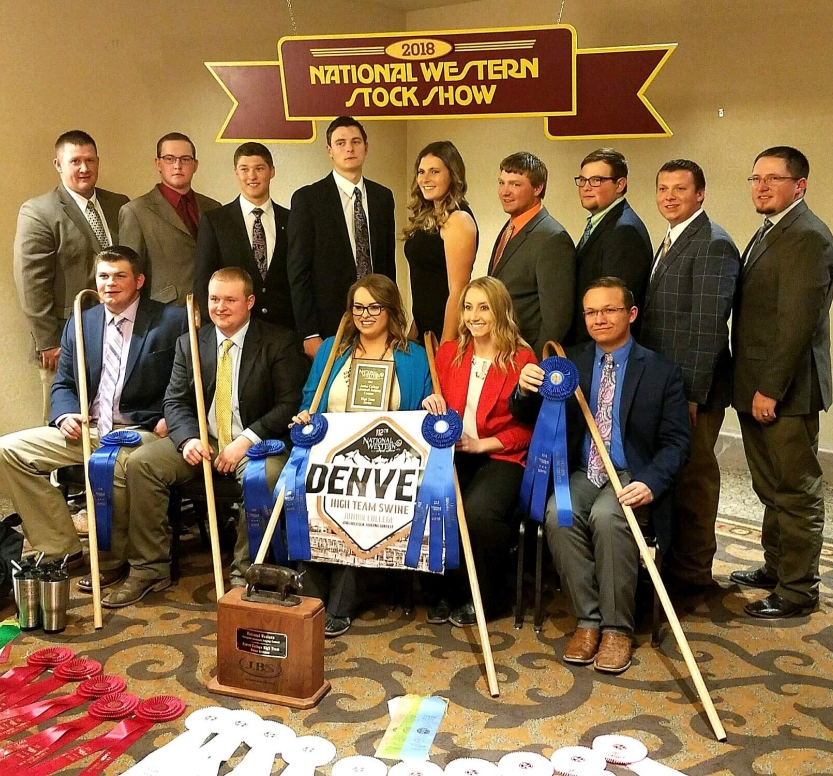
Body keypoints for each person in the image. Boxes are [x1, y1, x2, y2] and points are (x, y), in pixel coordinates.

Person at [511, 277, 690, 674]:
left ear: (631, 314)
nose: (599, 319)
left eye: (609, 310)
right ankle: (588, 620)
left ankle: (617, 629)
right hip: (582, 471)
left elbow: (677, 442)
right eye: (591, 312)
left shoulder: (661, 372)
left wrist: (652, 482)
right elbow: (527, 416)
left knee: (608, 517)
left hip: (630, 474)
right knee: (561, 513)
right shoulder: (568, 364)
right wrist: (524, 390)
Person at [0, 247, 186, 593]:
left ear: (138, 281)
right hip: (90, 427)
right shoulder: (81, 322)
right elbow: (64, 382)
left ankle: (112, 560)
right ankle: (61, 547)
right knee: (9, 450)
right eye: (104, 276)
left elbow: (189, 380)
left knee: (107, 464)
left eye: (119, 276)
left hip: (142, 429)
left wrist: (170, 418)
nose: (110, 283)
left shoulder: (170, 321)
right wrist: (64, 412)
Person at [114, 268, 308, 606]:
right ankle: (149, 568)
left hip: (258, 444)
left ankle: (246, 573)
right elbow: (174, 400)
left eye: (230, 300)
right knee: (141, 463)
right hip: (205, 440)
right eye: (214, 299)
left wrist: (245, 440)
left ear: (249, 302)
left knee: (266, 477)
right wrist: (188, 438)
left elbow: (288, 403)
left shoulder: (278, 341)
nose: (220, 307)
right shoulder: (191, 341)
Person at [290, 274, 432, 637]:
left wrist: (433, 405)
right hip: (331, 455)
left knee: (362, 504)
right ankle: (313, 593)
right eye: (358, 307)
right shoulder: (332, 350)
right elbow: (311, 398)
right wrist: (307, 415)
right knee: (298, 493)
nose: (365, 315)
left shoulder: (414, 358)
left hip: (386, 462)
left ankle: (343, 600)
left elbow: (423, 406)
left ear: (390, 310)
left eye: (374, 307)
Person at [730, 146, 833, 620]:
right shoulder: (770, 231)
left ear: (800, 185)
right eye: (756, 178)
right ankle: (776, 568)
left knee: (795, 491)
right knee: (770, 486)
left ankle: (798, 590)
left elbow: (797, 323)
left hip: (786, 391)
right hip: (757, 383)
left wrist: (771, 388)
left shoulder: (808, 237)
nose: (762, 186)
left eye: (773, 178)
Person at [641, 159, 740, 598]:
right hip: (668, 387)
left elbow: (707, 328)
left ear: (700, 194)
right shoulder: (671, 239)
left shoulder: (713, 244)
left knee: (695, 479)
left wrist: (693, 397)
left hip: (693, 391)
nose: (669, 196)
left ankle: (695, 574)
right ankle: (674, 565)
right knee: (671, 477)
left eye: (680, 188)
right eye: (663, 188)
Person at [420, 277, 536, 626]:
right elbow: (433, 407)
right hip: (453, 452)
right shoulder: (449, 352)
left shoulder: (522, 358)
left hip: (501, 454)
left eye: (483, 307)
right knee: (432, 500)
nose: (473, 315)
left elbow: (528, 427)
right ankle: (445, 591)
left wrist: (481, 443)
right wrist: (430, 404)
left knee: (478, 511)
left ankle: (487, 596)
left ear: (500, 309)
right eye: (468, 307)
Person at [14, 130, 129, 417]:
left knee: (112, 415)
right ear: (58, 164)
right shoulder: (38, 212)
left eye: (90, 160)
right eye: (75, 161)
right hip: (67, 338)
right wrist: (48, 341)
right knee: (65, 420)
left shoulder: (120, 204)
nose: (84, 168)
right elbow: (31, 283)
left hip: (120, 332)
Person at [288, 116, 396, 358]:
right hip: (328, 326)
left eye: (356, 141)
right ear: (329, 150)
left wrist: (393, 318)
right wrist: (309, 332)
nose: (349, 148)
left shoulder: (383, 197)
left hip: (378, 321)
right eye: (341, 143)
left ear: (366, 147)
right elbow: (298, 272)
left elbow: (388, 264)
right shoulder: (308, 199)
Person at [194, 143, 294, 331]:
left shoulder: (291, 220)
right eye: (244, 169)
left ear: (272, 171)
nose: (252, 176)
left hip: (285, 332)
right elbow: (202, 282)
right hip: (234, 332)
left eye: (259, 168)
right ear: (236, 173)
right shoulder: (215, 221)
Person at [487, 151, 575, 354]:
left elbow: (557, 321)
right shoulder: (510, 227)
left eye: (515, 185)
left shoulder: (552, 238)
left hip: (528, 360)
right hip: (503, 353)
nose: (504, 192)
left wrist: (532, 362)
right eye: (502, 183)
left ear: (538, 188)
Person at [118, 133, 220, 305]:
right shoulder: (135, 211)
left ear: (195, 165)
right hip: (163, 313)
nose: (177, 165)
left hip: (212, 309)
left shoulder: (213, 207)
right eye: (169, 159)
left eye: (185, 159)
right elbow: (129, 274)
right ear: (158, 163)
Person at [568, 148, 652, 344]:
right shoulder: (602, 222)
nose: (586, 187)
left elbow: (613, 307)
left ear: (620, 184)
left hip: (605, 350)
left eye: (596, 180)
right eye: (582, 180)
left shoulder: (624, 230)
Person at [403, 141, 478, 342]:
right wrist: (413, 332)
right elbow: (425, 283)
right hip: (423, 334)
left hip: (445, 334)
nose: (425, 179)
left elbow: (457, 291)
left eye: (434, 171)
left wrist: (446, 347)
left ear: (452, 175)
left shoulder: (458, 219)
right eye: (421, 171)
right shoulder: (428, 218)